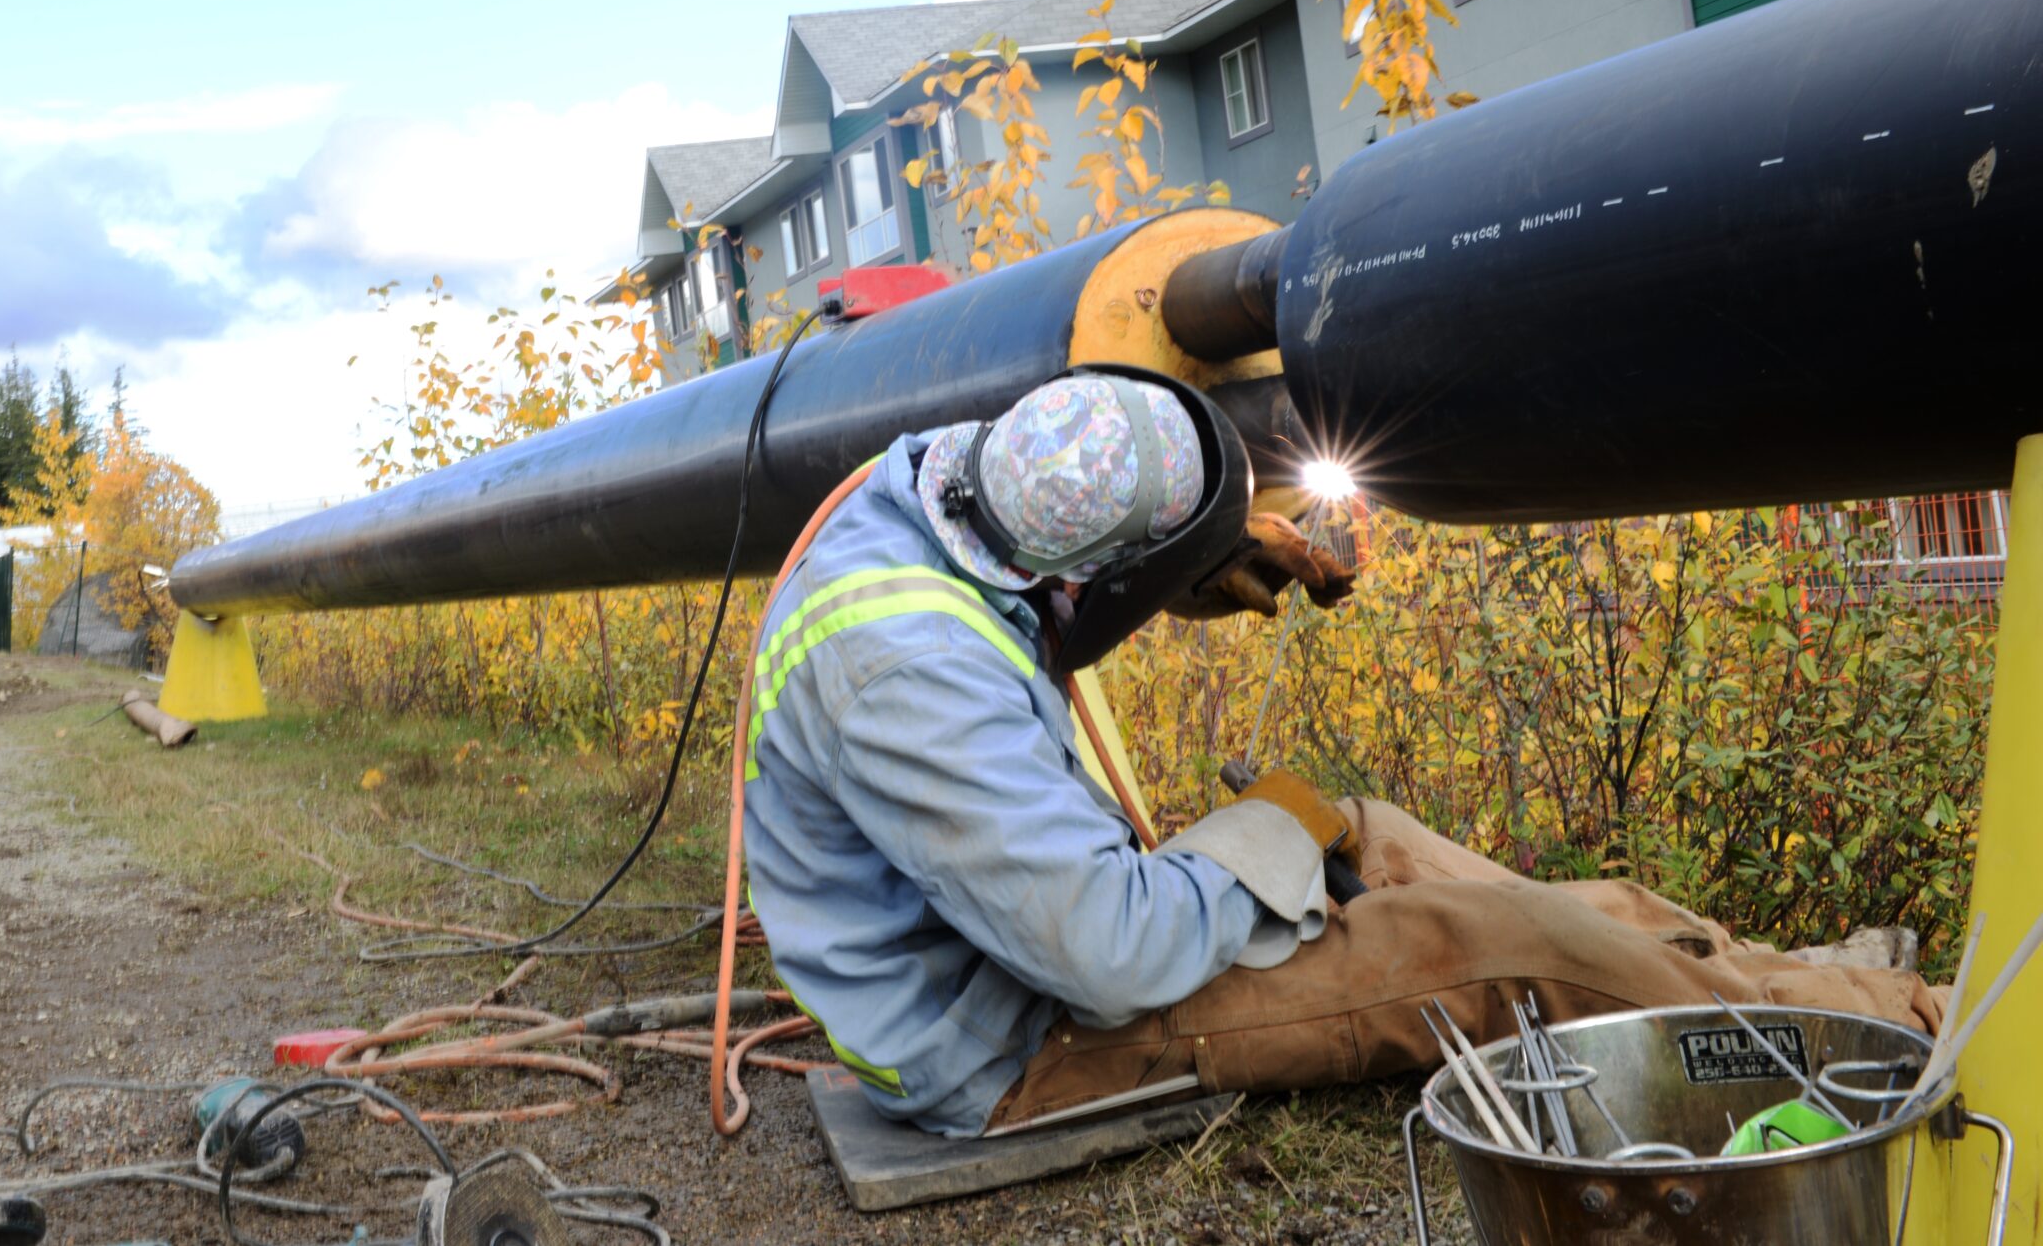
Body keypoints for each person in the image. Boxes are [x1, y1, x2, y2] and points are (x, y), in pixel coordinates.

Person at [738, 368, 1938, 1138]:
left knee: (1377, 831)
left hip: (1033, 927)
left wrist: (1200, 558)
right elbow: (1104, 951)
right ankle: (1899, 1031)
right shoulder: (904, 675)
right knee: (1497, 950)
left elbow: (1063, 554)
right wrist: (1267, 839)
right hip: (1011, 1036)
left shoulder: (970, 469)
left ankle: (1781, 973)